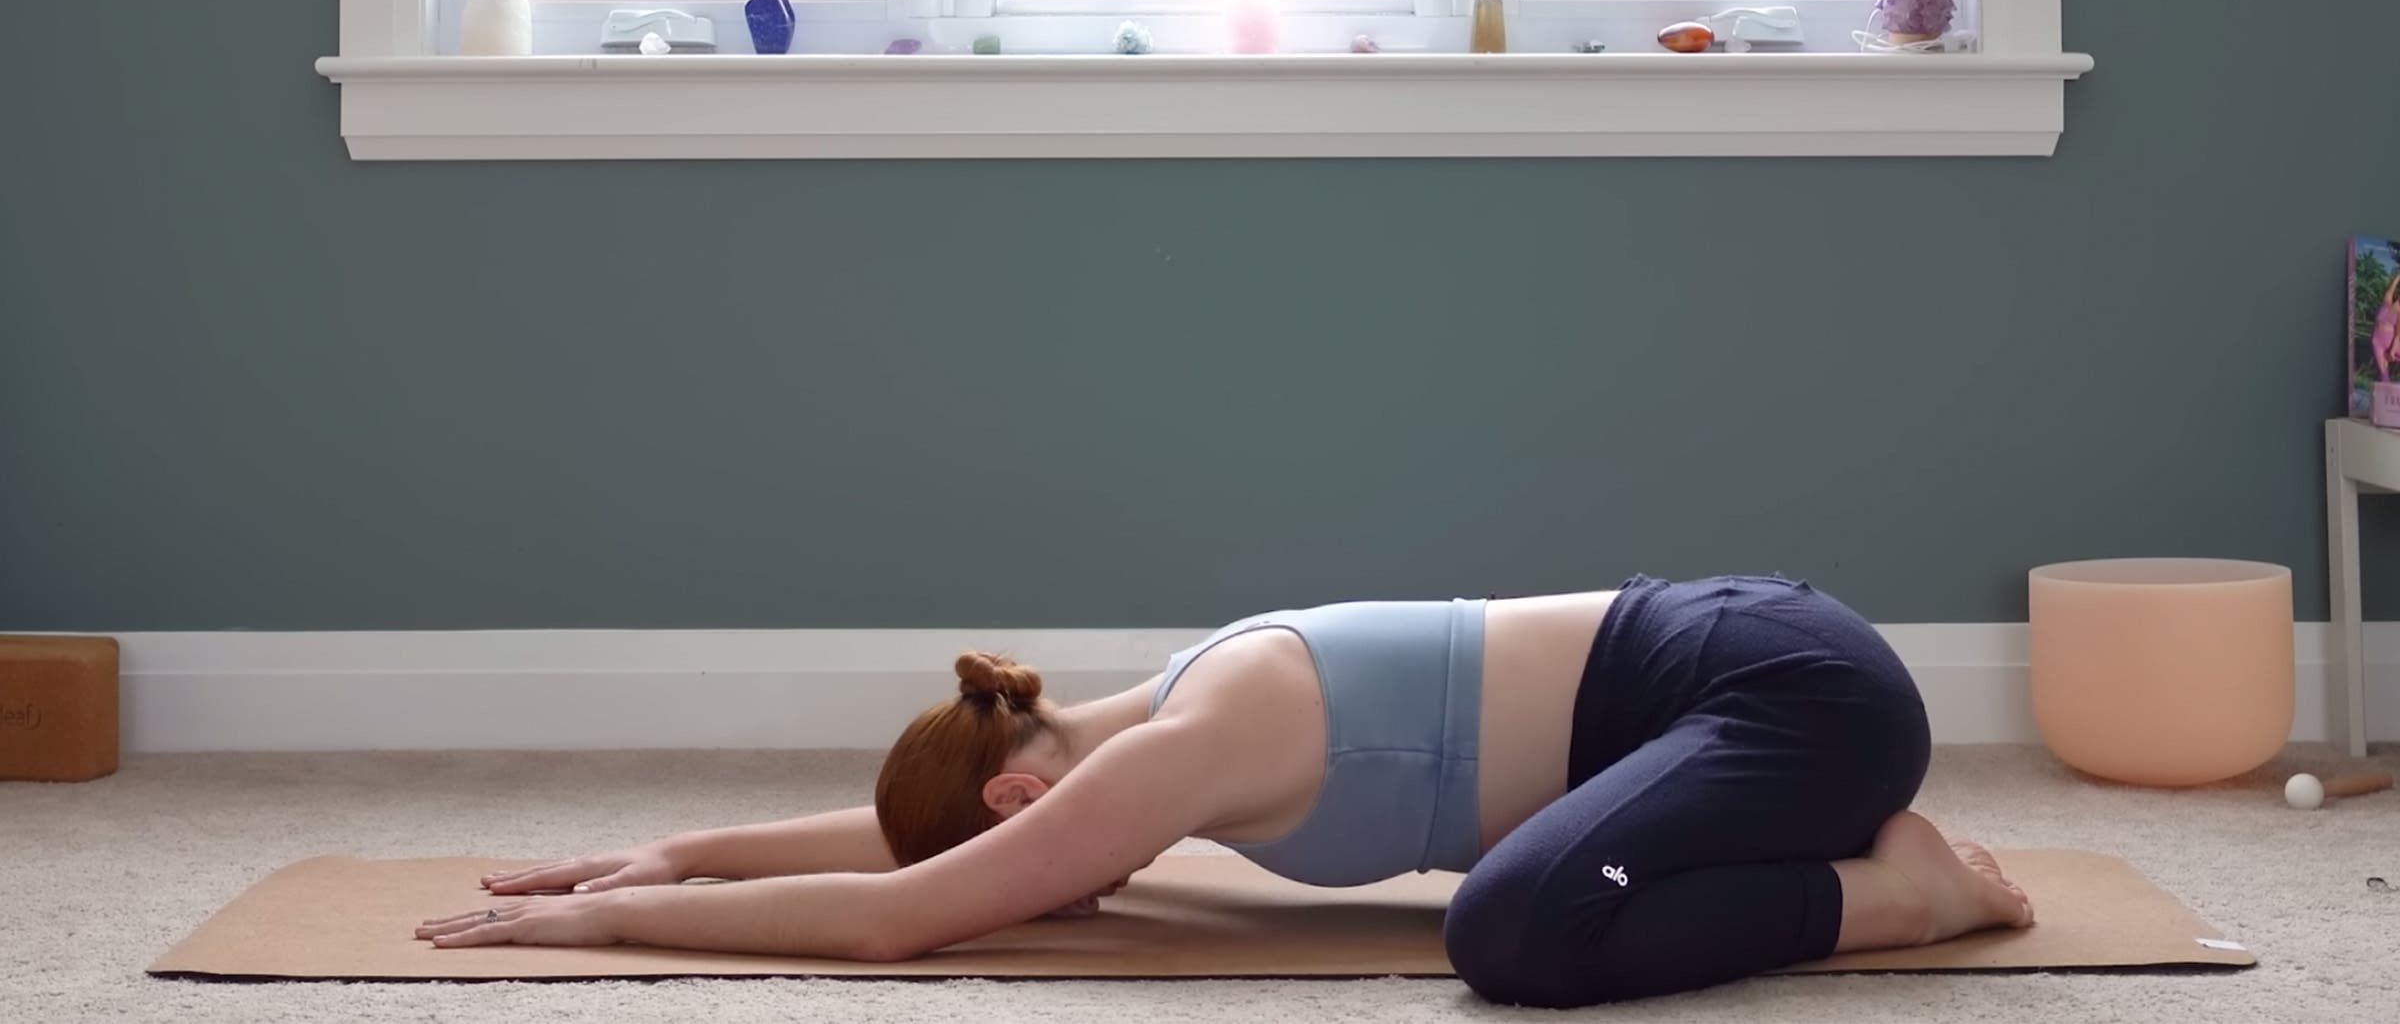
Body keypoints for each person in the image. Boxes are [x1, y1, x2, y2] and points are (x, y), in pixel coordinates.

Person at [419, 575, 2033, 1006]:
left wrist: (619, 924)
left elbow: (900, 919)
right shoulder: (1146, 713)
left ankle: (1907, 890)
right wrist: (687, 849)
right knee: (1537, 912)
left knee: (1516, 937)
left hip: (1783, 689)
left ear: (1016, 797)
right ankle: (1847, 852)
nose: (1066, 868)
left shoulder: (1184, 750)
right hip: (1734, 688)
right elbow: (931, 851)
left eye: (1042, 840)